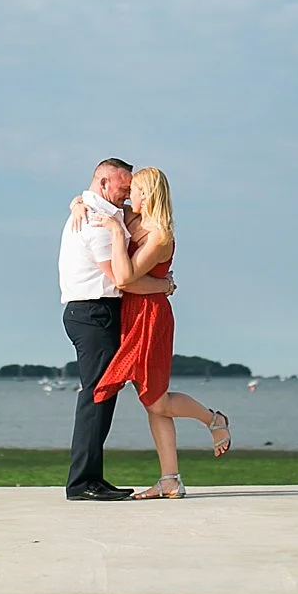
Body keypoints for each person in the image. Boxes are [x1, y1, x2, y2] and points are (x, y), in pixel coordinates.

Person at [86, 167, 231, 499]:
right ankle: (170, 480)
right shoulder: (130, 217)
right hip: (132, 314)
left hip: (151, 318)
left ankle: (213, 419)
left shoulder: (160, 236)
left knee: (156, 398)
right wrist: (76, 205)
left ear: (146, 194)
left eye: (133, 189)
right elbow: (92, 199)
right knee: (153, 403)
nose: (127, 195)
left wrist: (114, 232)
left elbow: (124, 278)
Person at [60, 158, 167, 501]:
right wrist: (165, 286)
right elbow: (123, 280)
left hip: (93, 313)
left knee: (101, 396)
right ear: (104, 183)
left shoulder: (99, 209)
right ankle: (82, 483)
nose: (125, 196)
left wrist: (76, 200)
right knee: (97, 396)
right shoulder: (96, 223)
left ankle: (91, 477)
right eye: (123, 189)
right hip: (94, 312)